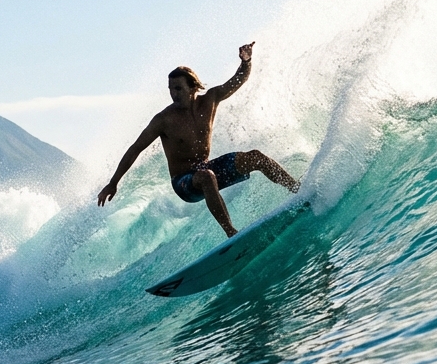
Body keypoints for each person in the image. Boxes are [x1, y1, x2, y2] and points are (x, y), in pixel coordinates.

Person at [97, 42, 299, 237]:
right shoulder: (164, 120)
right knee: (206, 176)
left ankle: (298, 190)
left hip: (205, 169)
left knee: (256, 157)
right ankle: (231, 232)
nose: (173, 94)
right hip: (184, 183)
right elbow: (135, 149)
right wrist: (113, 183)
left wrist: (246, 62)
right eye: (170, 88)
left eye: (178, 88)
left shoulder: (210, 100)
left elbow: (238, 80)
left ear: (193, 87)